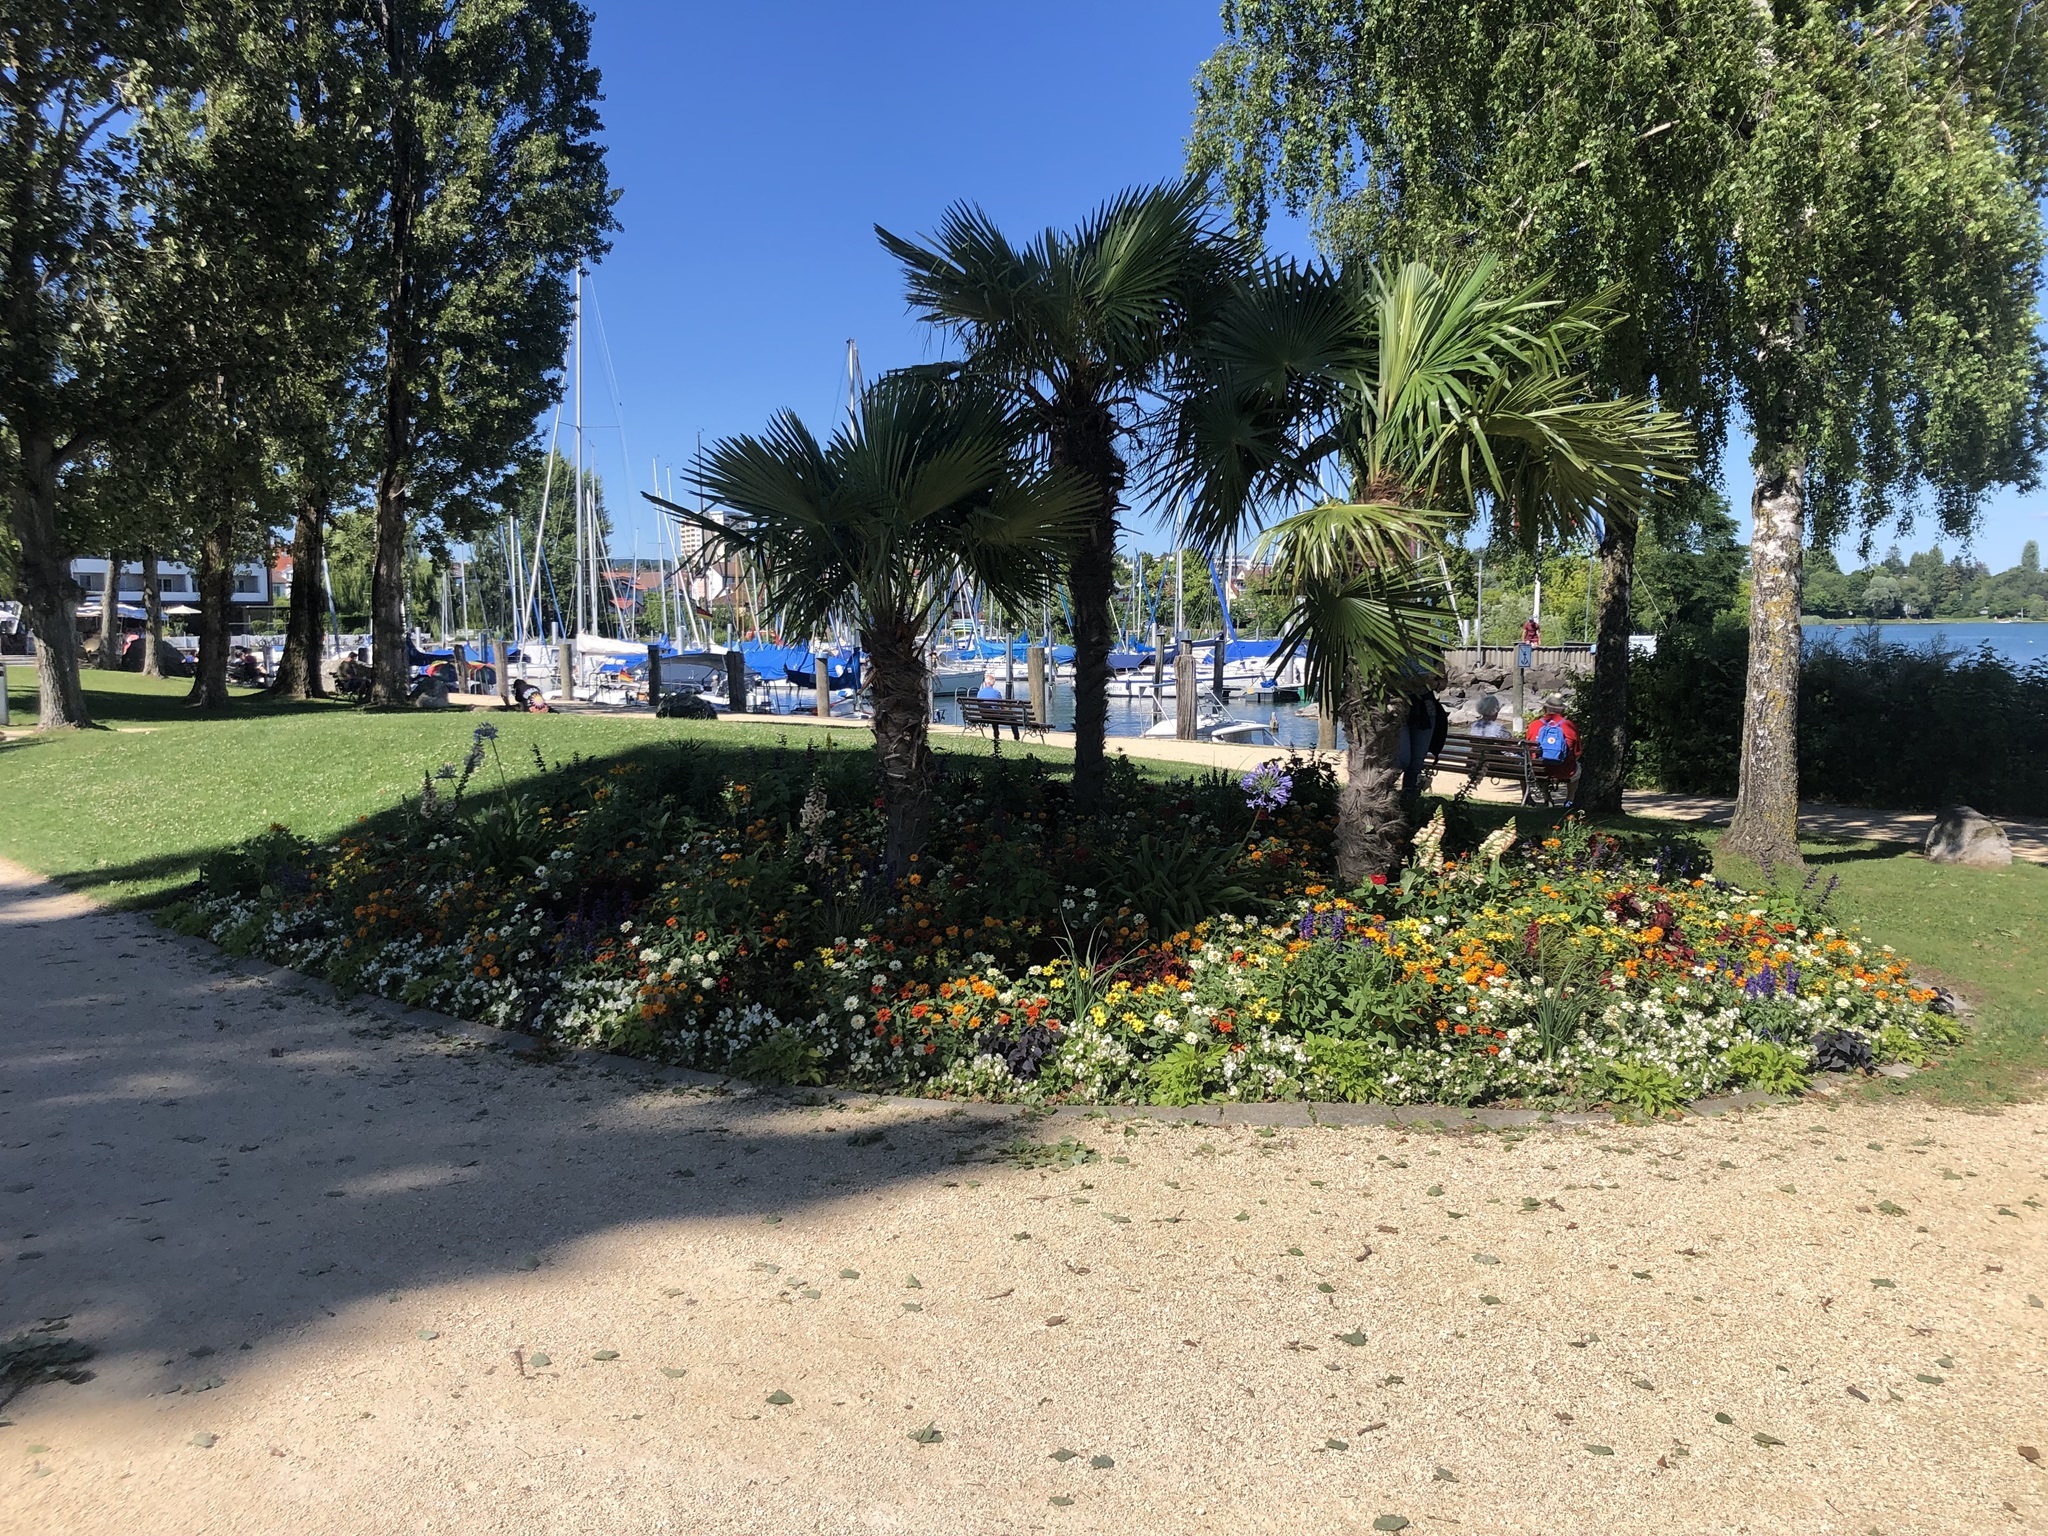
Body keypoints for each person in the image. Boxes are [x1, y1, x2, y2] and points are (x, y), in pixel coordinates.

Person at [1524, 694, 1581, 803]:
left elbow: (1530, 749)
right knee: (1577, 769)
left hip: (1538, 770)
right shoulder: (1569, 726)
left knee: (1536, 762)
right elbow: (1577, 752)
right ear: (1562, 710)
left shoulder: (1534, 725)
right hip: (1564, 770)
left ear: (1545, 708)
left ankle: (1547, 797)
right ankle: (1570, 800)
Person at [1399, 688, 1450, 796]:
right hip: (1398, 708)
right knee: (1402, 760)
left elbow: (1442, 683)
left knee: (1417, 762)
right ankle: (1383, 794)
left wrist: (1434, 683)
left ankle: (1408, 798)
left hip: (1425, 710)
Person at [976, 669, 1018, 742]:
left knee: (994, 714)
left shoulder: (980, 692)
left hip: (984, 716)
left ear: (985, 683)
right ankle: (1016, 737)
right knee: (1013, 718)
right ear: (993, 683)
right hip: (995, 716)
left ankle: (996, 735)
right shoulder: (996, 692)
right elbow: (1001, 705)